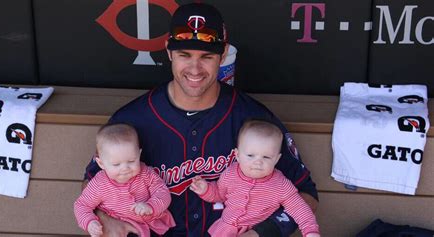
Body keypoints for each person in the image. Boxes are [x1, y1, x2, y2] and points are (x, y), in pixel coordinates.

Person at [83, 2, 319, 237]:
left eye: (206, 56)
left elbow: (306, 194)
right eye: (184, 55)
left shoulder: (254, 120)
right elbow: (91, 185)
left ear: (223, 53)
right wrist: (104, 219)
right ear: (168, 51)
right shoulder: (131, 121)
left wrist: (260, 234)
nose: (195, 69)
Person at [190, 119, 320, 237]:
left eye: (266, 157)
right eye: (251, 155)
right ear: (237, 155)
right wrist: (206, 189)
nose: (258, 162)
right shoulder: (230, 174)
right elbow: (219, 194)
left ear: (277, 159)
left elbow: (299, 208)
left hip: (256, 232)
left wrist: (311, 231)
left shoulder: (280, 184)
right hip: (224, 231)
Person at [75, 124, 175, 237]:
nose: (125, 168)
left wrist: (151, 206)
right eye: (116, 164)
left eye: (131, 161)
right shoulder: (100, 184)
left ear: (139, 154)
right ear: (101, 163)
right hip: (117, 228)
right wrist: (89, 222)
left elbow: (163, 193)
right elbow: (82, 205)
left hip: (151, 225)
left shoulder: (146, 174)